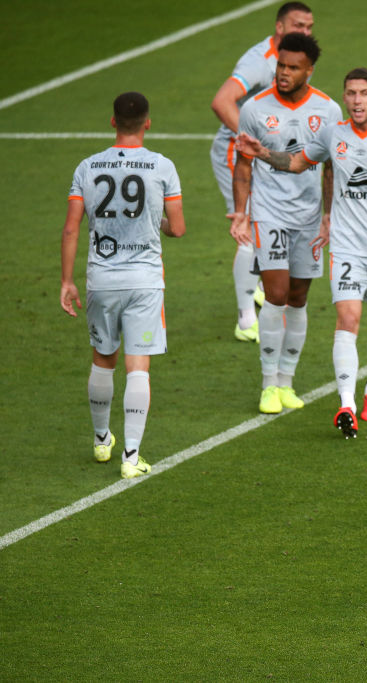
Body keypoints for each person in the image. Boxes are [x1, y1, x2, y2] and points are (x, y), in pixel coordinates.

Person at [235, 67, 367, 438]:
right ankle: (346, 404)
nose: (357, 100)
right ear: (344, 99)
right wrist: (261, 151)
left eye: (364, 94)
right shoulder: (333, 134)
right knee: (347, 319)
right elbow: (297, 163)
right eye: (351, 94)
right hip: (347, 247)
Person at [60, 92, 187, 479]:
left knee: (103, 358)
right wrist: (158, 225)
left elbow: (71, 227)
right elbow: (177, 228)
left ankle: (101, 441)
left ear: (112, 121)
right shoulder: (162, 166)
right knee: (138, 366)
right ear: (147, 123)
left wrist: (67, 281)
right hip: (145, 281)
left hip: (102, 278)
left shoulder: (88, 166)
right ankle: (131, 458)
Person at [229, 33, 340, 414]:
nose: (284, 73)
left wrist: (328, 215)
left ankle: (287, 382)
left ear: (309, 70)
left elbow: (331, 168)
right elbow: (243, 164)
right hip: (269, 213)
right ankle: (267, 384)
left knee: (299, 297)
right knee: (275, 293)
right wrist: (241, 213)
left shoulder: (328, 110)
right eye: (280, 65)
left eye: (293, 67)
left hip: (308, 216)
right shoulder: (254, 109)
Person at [209, 2, 314, 343]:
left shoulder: (293, 60)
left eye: (310, 26)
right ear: (280, 27)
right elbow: (222, 101)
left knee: (268, 225)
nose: (306, 32)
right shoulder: (259, 62)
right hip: (238, 154)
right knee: (251, 231)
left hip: (267, 156)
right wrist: (252, 141)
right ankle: (245, 320)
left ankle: (254, 288)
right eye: (299, 25)